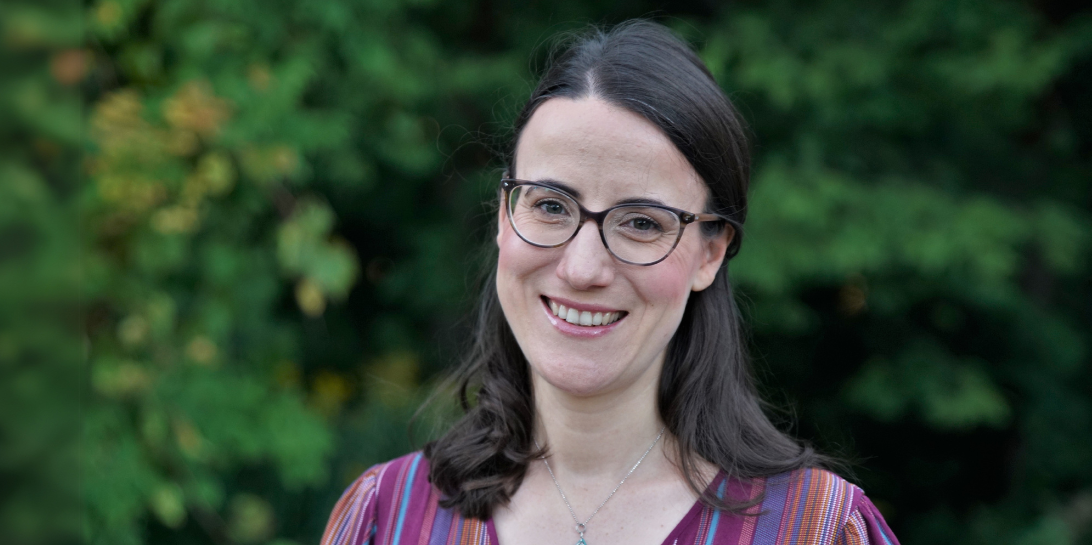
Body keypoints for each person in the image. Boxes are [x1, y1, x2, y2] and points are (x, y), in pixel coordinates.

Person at [319, 20, 899, 545]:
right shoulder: (386, 518)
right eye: (550, 205)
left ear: (710, 253)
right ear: (503, 217)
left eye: (641, 222)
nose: (581, 268)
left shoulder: (814, 530)